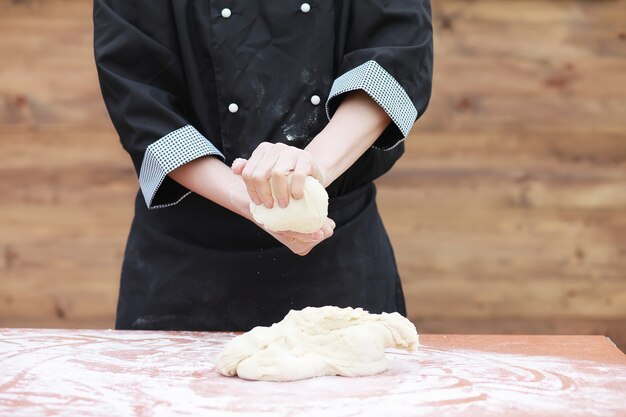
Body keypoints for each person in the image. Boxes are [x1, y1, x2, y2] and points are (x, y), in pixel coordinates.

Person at [93, 0, 433, 331]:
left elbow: (398, 55)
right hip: (184, 268)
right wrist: (247, 196)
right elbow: (137, 93)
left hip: (333, 253)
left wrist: (309, 171)